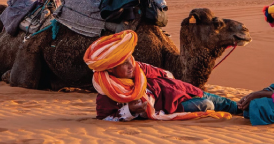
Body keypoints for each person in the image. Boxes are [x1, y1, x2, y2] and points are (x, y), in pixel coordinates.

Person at [84, 30, 239, 121]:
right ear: (110, 69)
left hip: (183, 90)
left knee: (231, 105)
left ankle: (251, 109)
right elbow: (106, 118)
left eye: (130, 60)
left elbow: (166, 74)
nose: (131, 65)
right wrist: (130, 110)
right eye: (124, 63)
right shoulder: (108, 93)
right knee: (208, 105)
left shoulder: (140, 68)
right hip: (174, 105)